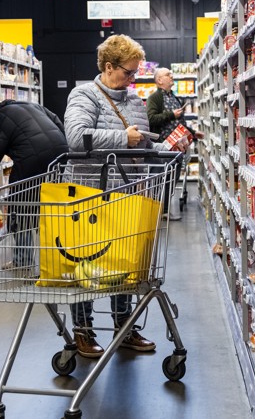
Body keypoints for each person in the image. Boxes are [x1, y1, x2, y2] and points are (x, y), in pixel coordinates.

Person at [64, 34, 176, 358]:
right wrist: (121, 137)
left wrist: (168, 148)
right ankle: (83, 331)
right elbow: (76, 137)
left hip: (127, 193)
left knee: (124, 265)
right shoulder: (84, 95)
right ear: (109, 66)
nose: (133, 78)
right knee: (85, 265)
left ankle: (124, 328)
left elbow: (143, 142)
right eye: (128, 72)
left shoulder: (136, 101)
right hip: (89, 195)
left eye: (136, 73)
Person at [0, 100, 69, 269]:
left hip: (32, 161)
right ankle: (57, 258)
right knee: (51, 209)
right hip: (60, 157)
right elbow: (56, 121)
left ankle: (23, 260)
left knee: (20, 209)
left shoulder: (0, 119)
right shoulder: (31, 105)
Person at [146, 67, 204, 221]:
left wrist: (193, 133)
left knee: (173, 178)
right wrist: (171, 114)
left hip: (177, 147)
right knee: (161, 180)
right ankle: (158, 211)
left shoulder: (174, 97)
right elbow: (151, 119)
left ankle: (166, 210)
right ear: (159, 80)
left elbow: (180, 123)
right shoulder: (154, 98)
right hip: (162, 147)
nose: (171, 76)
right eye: (167, 74)